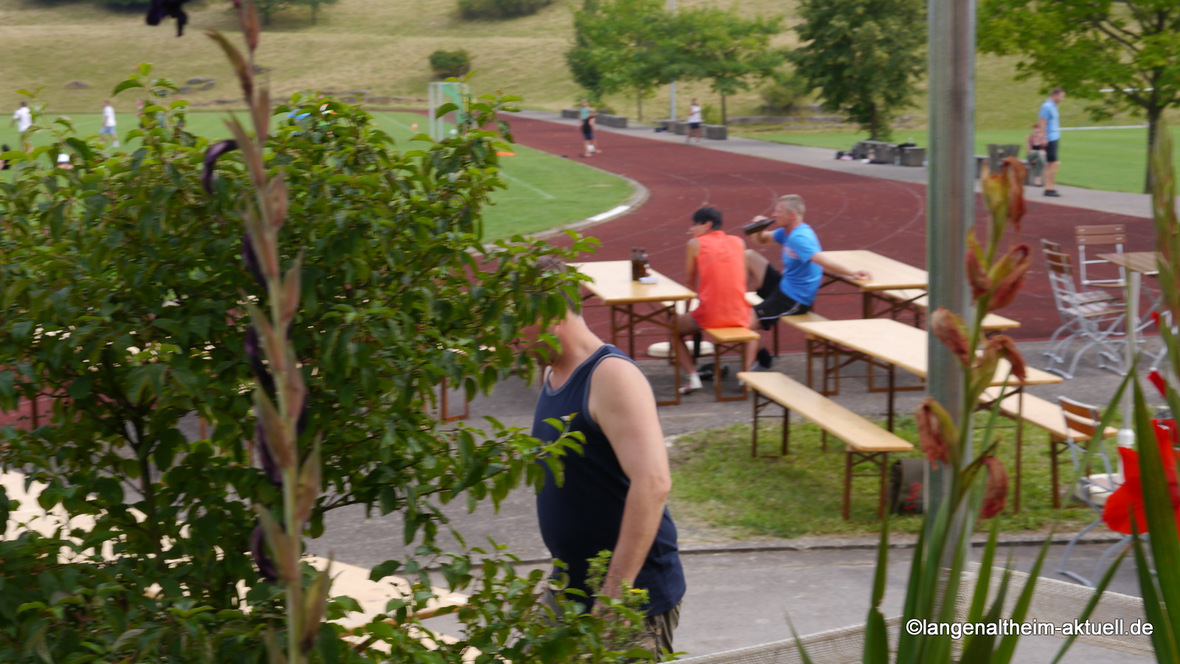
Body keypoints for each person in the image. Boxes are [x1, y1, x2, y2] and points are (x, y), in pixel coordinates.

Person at [527, 288, 685, 660]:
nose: (511, 340)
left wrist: (615, 595)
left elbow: (654, 483)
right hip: (570, 587)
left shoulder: (611, 376)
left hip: (627, 598)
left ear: (550, 313)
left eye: (518, 326)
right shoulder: (552, 373)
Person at [748, 194, 871, 330]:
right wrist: (758, 229)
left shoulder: (799, 237)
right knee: (749, 256)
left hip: (794, 299)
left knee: (747, 320)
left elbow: (820, 259)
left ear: (792, 215)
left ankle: (760, 352)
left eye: (779, 212)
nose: (774, 214)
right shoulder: (786, 232)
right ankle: (733, 298)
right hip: (783, 286)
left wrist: (852, 272)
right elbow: (761, 240)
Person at [675, 207, 753, 393]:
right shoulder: (739, 242)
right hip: (739, 312)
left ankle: (691, 376)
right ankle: (746, 376)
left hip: (711, 313)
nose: (692, 229)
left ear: (707, 225)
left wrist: (685, 311)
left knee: (673, 330)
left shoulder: (695, 244)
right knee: (753, 332)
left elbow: (690, 281)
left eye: (695, 224)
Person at [1036, 87, 1065, 197]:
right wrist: (1043, 138)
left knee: (1050, 164)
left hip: (1054, 137)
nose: (1062, 99)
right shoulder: (1046, 106)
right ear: (1055, 95)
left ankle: (1050, 188)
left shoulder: (1054, 107)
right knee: (1054, 163)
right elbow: (1042, 122)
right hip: (1049, 139)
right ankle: (1049, 188)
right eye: (1061, 96)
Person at [1025, 122, 1046, 187]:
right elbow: (1028, 150)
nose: (1037, 130)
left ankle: (1037, 180)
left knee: (1039, 159)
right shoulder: (1029, 137)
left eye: (1038, 128)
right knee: (1038, 153)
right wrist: (1037, 153)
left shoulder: (1044, 138)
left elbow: (1045, 151)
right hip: (1031, 156)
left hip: (1040, 157)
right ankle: (1038, 179)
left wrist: (1038, 156)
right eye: (1035, 128)